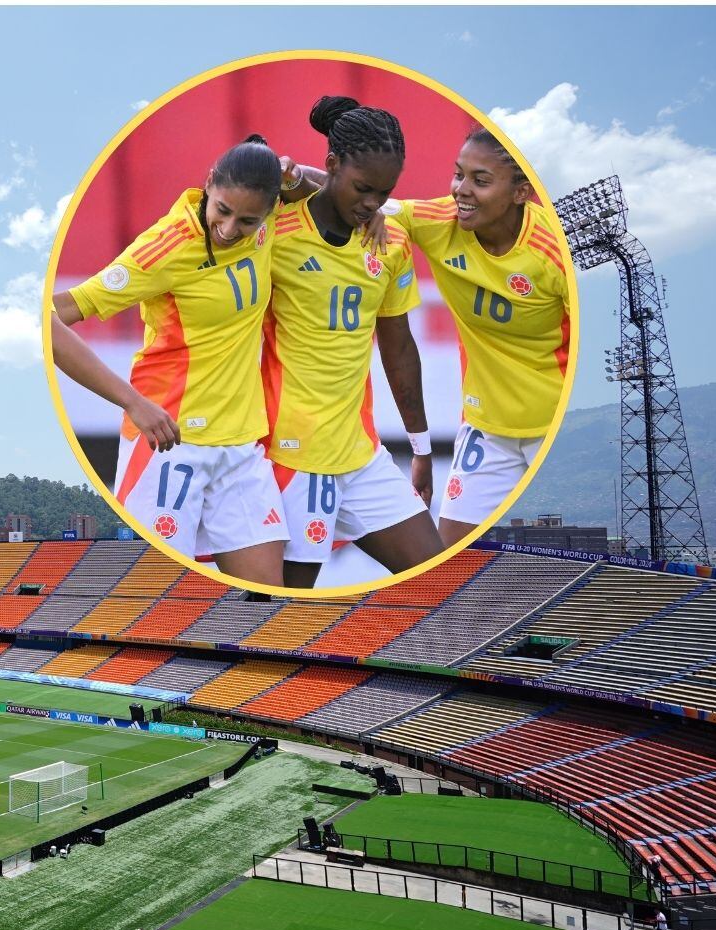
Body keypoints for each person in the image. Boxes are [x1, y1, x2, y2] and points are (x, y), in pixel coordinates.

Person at [297, 126, 570, 546]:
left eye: (480, 181)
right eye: (458, 174)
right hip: (487, 429)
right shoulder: (441, 221)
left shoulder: (552, 254)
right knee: (449, 560)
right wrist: (290, 173)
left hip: (551, 428)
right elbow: (353, 195)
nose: (461, 190)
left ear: (520, 194)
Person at [51, 137, 305, 586]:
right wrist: (133, 403)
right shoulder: (163, 247)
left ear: (271, 211)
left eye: (247, 220)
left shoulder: (269, 225)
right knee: (158, 611)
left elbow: (330, 193)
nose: (229, 228)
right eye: (222, 210)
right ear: (209, 182)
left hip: (242, 449)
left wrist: (297, 174)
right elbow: (49, 320)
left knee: (268, 608)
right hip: (168, 446)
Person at [263, 97, 442, 589]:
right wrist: (293, 179)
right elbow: (236, 175)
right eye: (363, 188)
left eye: (383, 194)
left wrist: (421, 447)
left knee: (437, 581)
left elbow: (400, 346)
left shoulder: (391, 243)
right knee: (280, 619)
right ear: (332, 164)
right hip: (290, 455)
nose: (371, 204)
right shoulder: (274, 230)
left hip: (361, 456)